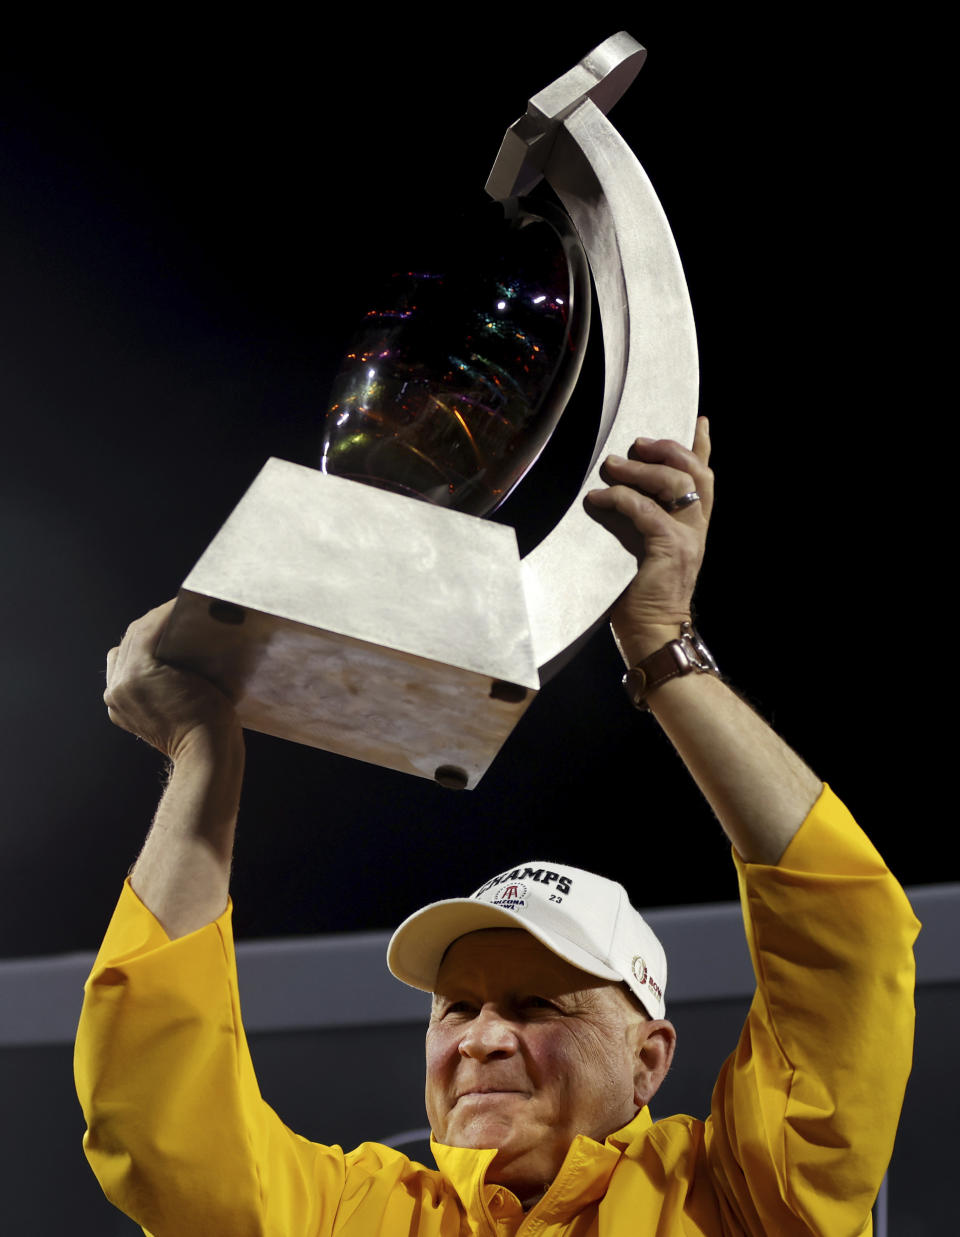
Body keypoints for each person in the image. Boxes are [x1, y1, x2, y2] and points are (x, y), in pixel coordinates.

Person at [75, 419, 919, 1236]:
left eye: (539, 1004)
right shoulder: (354, 1215)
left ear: (648, 1060)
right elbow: (161, 1129)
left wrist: (663, 644)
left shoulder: (736, 1199)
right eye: (458, 1006)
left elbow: (849, 944)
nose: (481, 1039)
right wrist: (204, 751)